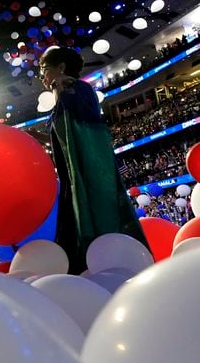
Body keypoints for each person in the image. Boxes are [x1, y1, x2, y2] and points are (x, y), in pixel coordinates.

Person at [35, 46, 147, 273]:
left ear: (62, 67)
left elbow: (85, 136)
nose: (42, 76)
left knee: (98, 221)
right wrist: (36, 137)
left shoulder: (77, 90)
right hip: (72, 179)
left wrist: (60, 92)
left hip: (89, 175)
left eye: (44, 69)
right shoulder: (67, 94)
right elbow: (67, 137)